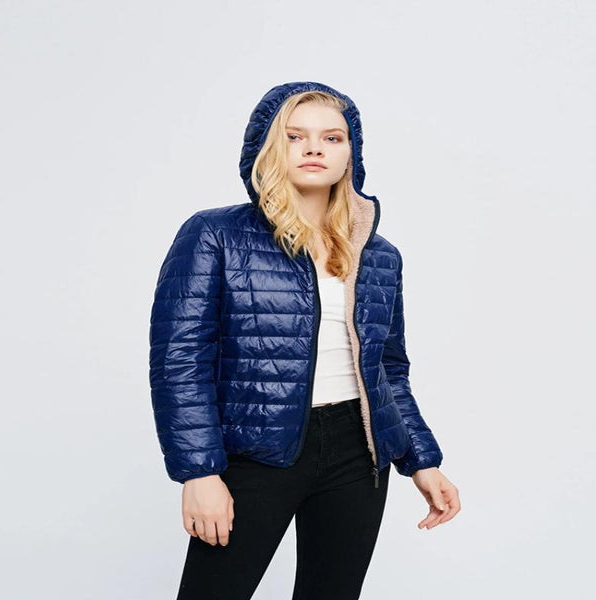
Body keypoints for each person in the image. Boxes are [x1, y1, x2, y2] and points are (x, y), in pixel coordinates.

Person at [148, 80, 461, 600]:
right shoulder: (215, 234)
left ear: (350, 154)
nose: (314, 148)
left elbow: (388, 369)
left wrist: (422, 460)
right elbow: (179, 360)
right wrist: (199, 472)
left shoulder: (379, 255)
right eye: (295, 136)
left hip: (358, 453)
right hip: (255, 449)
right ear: (269, 147)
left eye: (332, 138)